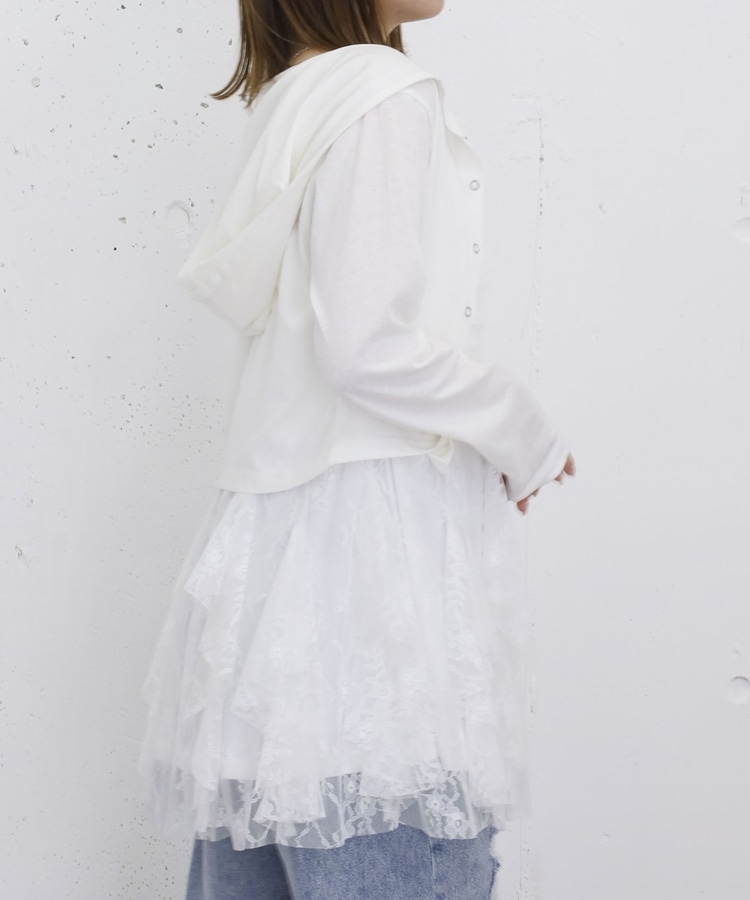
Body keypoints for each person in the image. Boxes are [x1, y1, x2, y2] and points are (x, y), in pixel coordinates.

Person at [136, 1, 576, 897]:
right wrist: (516, 427)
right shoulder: (382, 92)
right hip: (372, 593)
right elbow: (365, 347)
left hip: (275, 587)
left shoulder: (293, 97)